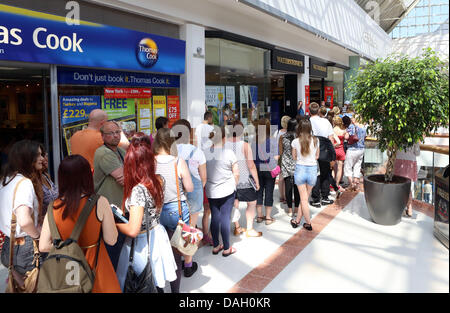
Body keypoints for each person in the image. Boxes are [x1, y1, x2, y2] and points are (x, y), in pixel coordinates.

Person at [38, 155, 121, 292]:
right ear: (87, 176)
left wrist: (66, 247)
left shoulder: (53, 207)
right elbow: (111, 240)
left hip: (68, 275)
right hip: (97, 270)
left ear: (62, 178)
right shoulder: (100, 202)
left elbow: (43, 246)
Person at [115, 133, 177, 292]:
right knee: (155, 281)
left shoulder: (137, 190)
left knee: (142, 281)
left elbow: (133, 229)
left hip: (142, 244)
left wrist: (113, 222)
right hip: (157, 235)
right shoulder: (158, 180)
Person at [153, 128, 195, 290]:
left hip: (156, 211)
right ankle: (175, 290)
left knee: (159, 252)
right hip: (176, 209)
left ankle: (159, 288)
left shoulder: (151, 161)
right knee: (176, 252)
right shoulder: (178, 161)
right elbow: (189, 188)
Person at [0, 140, 44, 276]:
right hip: (26, 248)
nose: (42, 159)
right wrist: (38, 236)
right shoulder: (24, 183)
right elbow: (24, 220)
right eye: (38, 155)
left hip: (9, 244)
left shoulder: (6, 179)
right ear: (27, 158)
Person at [93, 121, 126, 270]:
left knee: (119, 250)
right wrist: (129, 173)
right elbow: (125, 179)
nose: (115, 136)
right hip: (109, 211)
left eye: (117, 132)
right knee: (111, 251)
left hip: (120, 209)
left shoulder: (120, 151)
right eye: (110, 133)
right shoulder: (103, 152)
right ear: (102, 136)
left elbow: (130, 175)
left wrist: (129, 173)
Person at [224, 120, 262, 238]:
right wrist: (257, 180)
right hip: (244, 180)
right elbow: (251, 165)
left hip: (229, 181)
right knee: (251, 203)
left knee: (235, 203)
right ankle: (249, 229)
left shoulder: (224, 143)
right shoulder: (245, 145)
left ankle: (238, 227)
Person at [206, 126, 239, 256]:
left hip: (211, 191)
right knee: (225, 217)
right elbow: (236, 173)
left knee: (215, 217)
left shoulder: (205, 153)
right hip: (227, 190)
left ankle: (215, 245)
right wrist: (233, 185)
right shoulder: (229, 153)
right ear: (224, 138)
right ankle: (226, 248)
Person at [173, 119, 207, 230]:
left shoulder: (169, 151)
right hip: (195, 190)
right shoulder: (197, 152)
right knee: (191, 227)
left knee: (177, 226)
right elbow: (204, 177)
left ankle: (177, 246)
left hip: (175, 192)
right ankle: (190, 246)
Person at [290, 119, 320, 231]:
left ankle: (308, 223)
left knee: (303, 200)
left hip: (300, 169)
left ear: (299, 128)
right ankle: (297, 220)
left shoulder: (295, 141)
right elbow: (317, 156)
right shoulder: (316, 140)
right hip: (312, 170)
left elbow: (294, 157)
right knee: (305, 199)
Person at [194, 111, 215, 245]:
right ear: (210, 118)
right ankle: (211, 234)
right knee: (212, 209)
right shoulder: (211, 129)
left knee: (206, 209)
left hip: (200, 170)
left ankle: (206, 234)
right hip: (210, 175)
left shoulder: (197, 129)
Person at [309, 102, 335, 207]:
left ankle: (316, 199)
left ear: (309, 110)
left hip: (312, 150)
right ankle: (325, 196)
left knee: (315, 174)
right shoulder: (326, 122)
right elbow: (331, 138)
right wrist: (331, 154)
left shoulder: (308, 121)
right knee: (325, 173)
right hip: (325, 150)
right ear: (319, 110)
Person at [255, 118, 279, 225]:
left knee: (259, 192)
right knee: (269, 192)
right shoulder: (273, 140)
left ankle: (259, 216)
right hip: (269, 169)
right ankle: (268, 218)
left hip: (257, 168)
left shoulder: (254, 140)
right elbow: (276, 157)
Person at [279, 118, 300, 217]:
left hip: (286, 163)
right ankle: (296, 209)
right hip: (297, 164)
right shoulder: (299, 137)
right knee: (296, 186)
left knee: (288, 186)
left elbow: (280, 152)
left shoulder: (282, 137)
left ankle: (290, 210)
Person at [394, 143, 420, 217]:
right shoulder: (415, 137)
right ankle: (409, 209)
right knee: (409, 186)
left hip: (399, 161)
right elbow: (417, 153)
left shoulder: (398, 135)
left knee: (399, 185)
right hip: (410, 162)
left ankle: (401, 209)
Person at [344, 114, 367, 192]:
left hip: (352, 149)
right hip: (361, 149)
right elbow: (365, 137)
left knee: (348, 167)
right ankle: (356, 185)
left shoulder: (351, 127)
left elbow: (346, 137)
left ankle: (351, 184)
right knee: (357, 166)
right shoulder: (364, 127)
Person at [38, 144, 58, 226]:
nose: (44, 158)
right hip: (43, 226)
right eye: (41, 155)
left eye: (44, 155)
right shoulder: (32, 182)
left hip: (53, 222)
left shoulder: (46, 176)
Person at [274, 116, 290, 204]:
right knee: (288, 177)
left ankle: (282, 196)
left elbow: (276, 144)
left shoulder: (278, 132)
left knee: (281, 177)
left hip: (281, 156)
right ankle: (287, 195)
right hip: (289, 156)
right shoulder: (291, 133)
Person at [332, 116, 348, 195]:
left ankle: (333, 184)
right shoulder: (343, 130)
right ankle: (337, 184)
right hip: (341, 150)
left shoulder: (332, 130)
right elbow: (347, 138)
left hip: (334, 150)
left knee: (333, 168)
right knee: (340, 168)